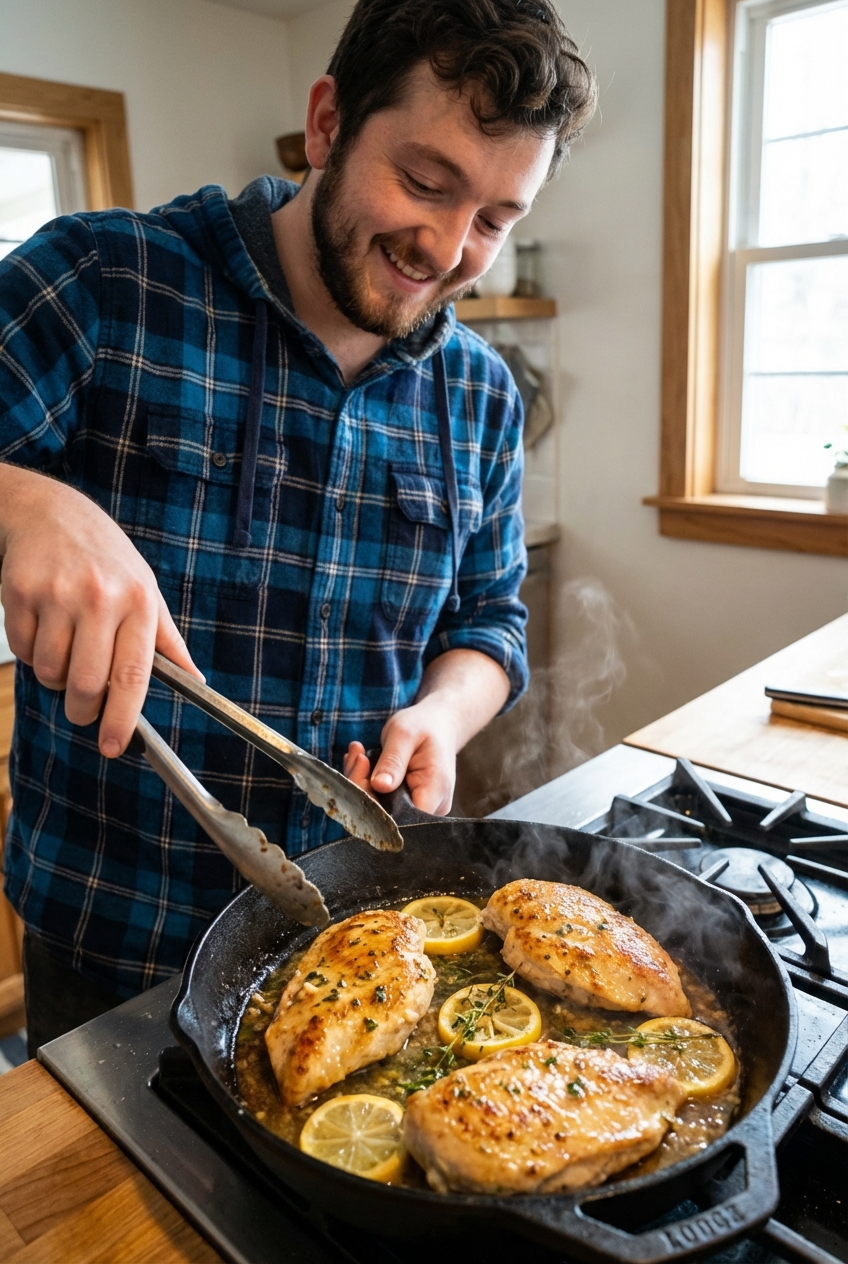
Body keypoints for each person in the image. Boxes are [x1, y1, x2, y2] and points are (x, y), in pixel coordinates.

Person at [0, 0, 596, 1050]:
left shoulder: (481, 397)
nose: (449, 248)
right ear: (326, 122)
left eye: (496, 219)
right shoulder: (103, 283)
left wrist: (444, 715)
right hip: (113, 946)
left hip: (350, 952)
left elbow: (492, 619)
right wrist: (27, 502)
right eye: (424, 182)